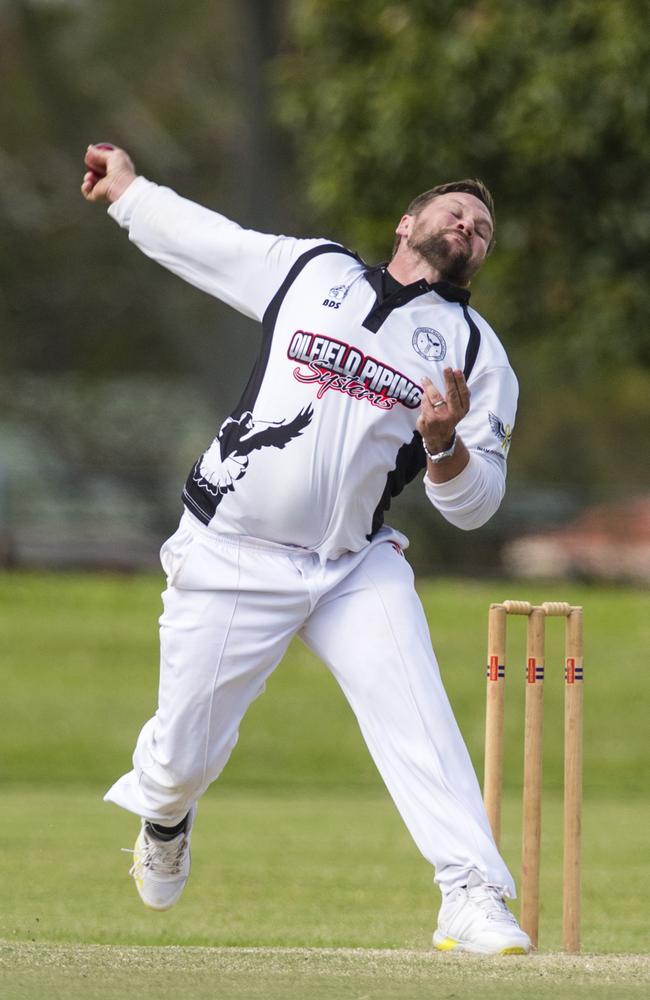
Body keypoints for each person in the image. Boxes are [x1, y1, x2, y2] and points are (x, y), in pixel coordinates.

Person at [81, 143, 530, 955]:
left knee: (418, 715)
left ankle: (473, 894)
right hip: (232, 551)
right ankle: (165, 810)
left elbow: (475, 507)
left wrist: (442, 446)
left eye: (484, 227)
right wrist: (128, 193)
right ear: (407, 223)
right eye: (455, 209)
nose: (469, 223)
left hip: (353, 567)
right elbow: (209, 241)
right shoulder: (312, 271)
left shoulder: (476, 355)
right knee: (183, 760)